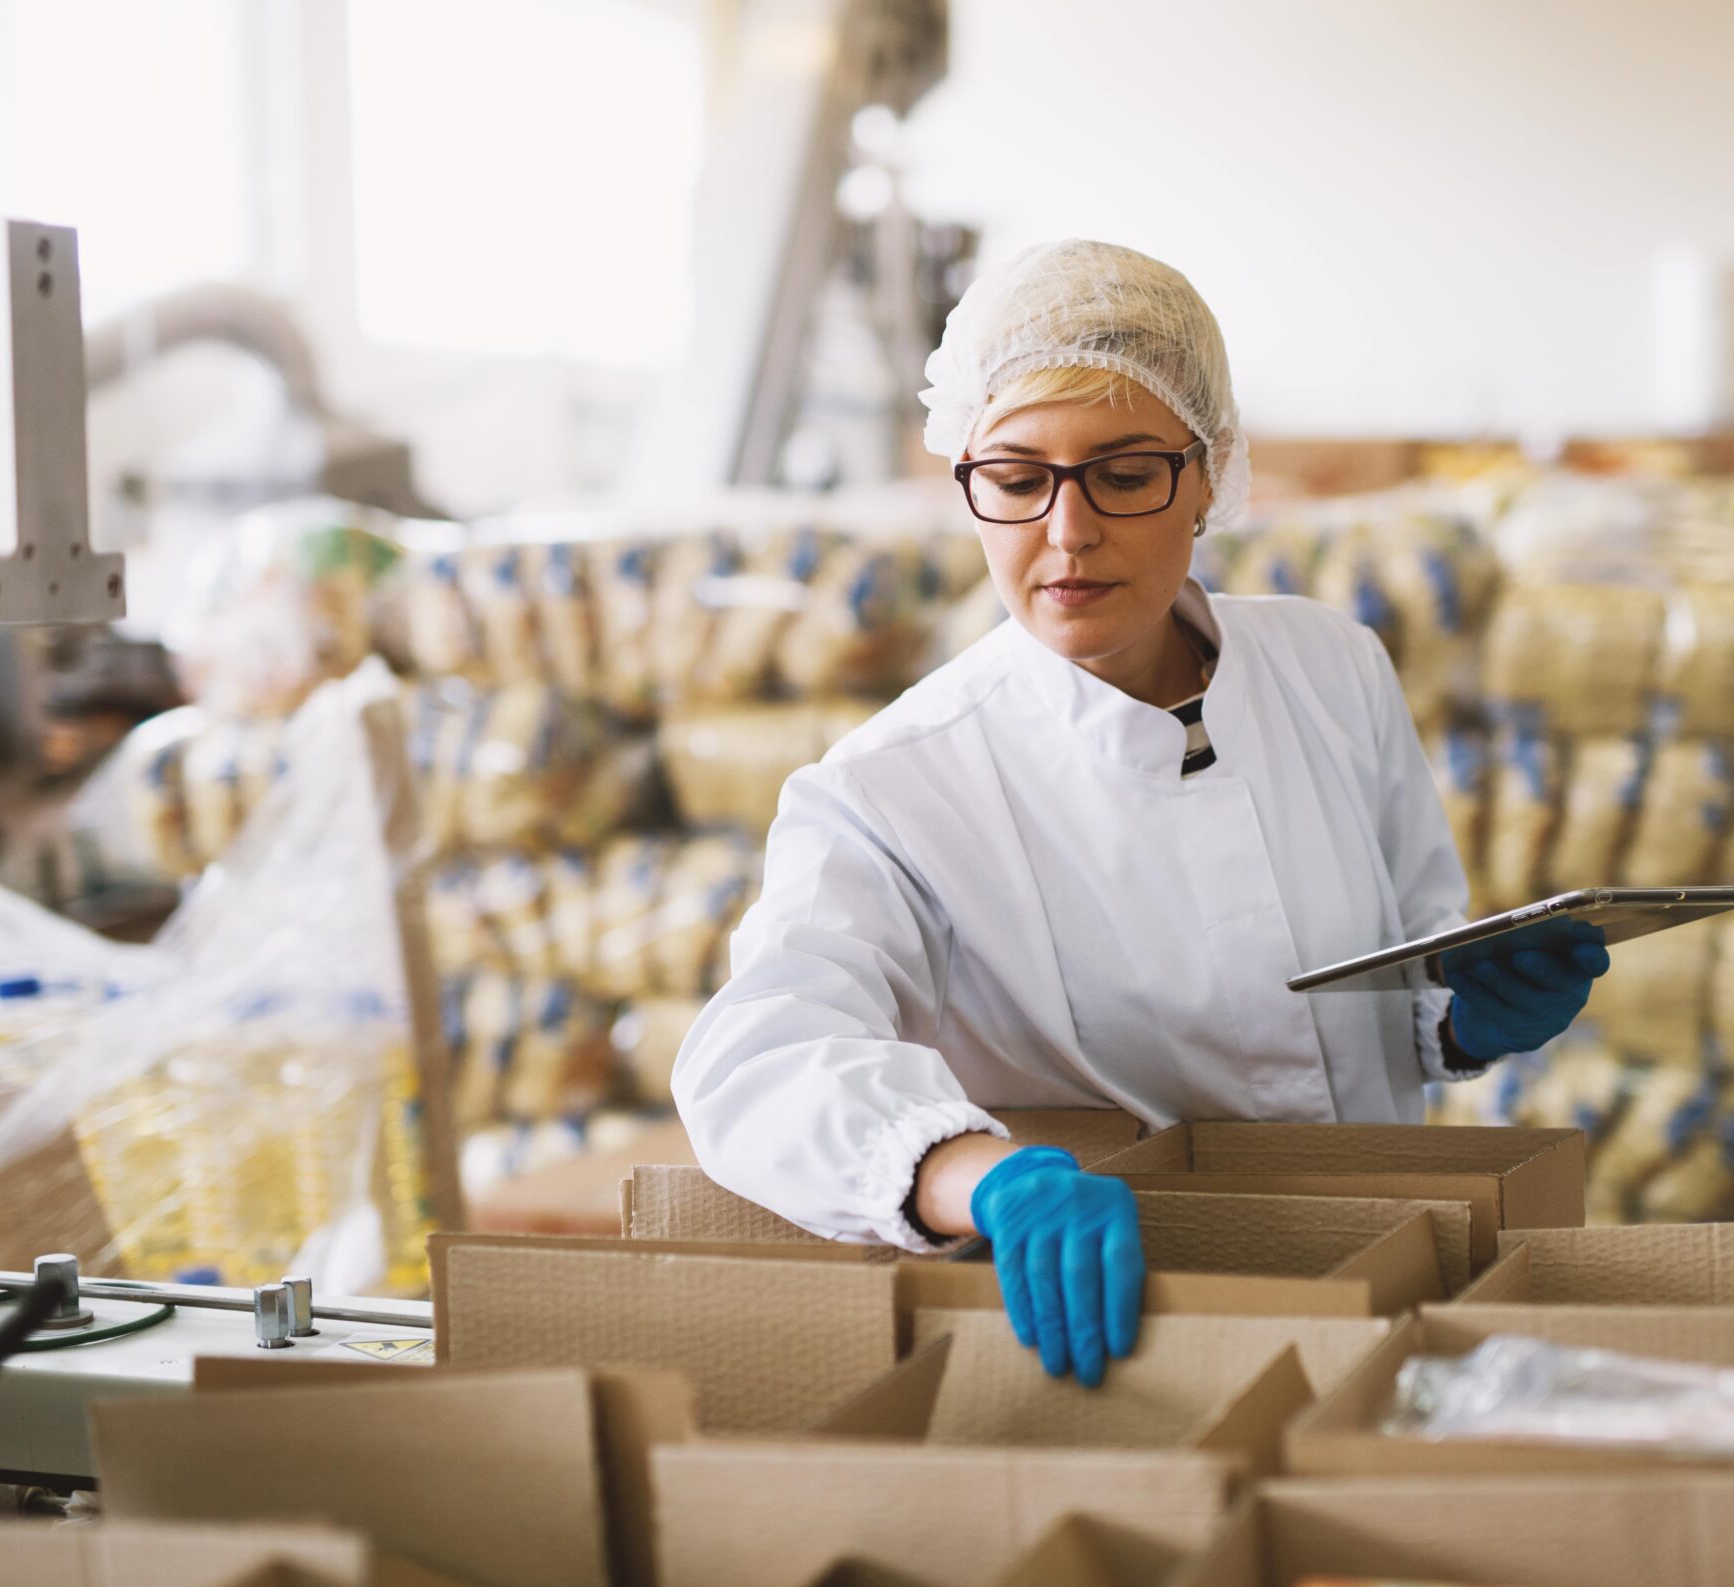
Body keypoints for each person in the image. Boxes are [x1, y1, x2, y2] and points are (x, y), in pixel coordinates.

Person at [674, 239, 1608, 1386]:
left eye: (1123, 474)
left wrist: (1470, 1017)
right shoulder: (892, 787)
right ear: (965, 476)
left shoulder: (1331, 670)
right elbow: (755, 1055)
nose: (1066, 533)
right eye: (1017, 479)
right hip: (1131, 1330)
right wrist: (980, 1171)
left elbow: (1404, 969)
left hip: (1402, 1271)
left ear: (1210, 472)